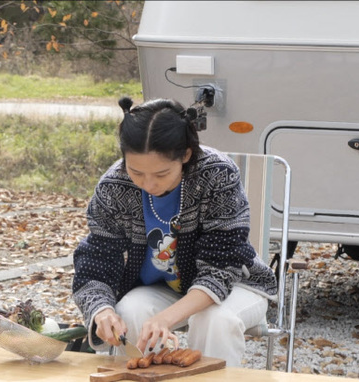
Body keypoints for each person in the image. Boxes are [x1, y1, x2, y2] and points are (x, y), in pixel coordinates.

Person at [71, 97, 277, 367]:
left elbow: (223, 266)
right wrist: (101, 310)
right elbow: (97, 260)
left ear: (186, 155)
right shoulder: (113, 186)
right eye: (136, 172)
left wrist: (165, 318)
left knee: (214, 320)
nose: (148, 184)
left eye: (161, 173)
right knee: (129, 311)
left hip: (235, 285)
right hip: (162, 289)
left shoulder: (217, 175)